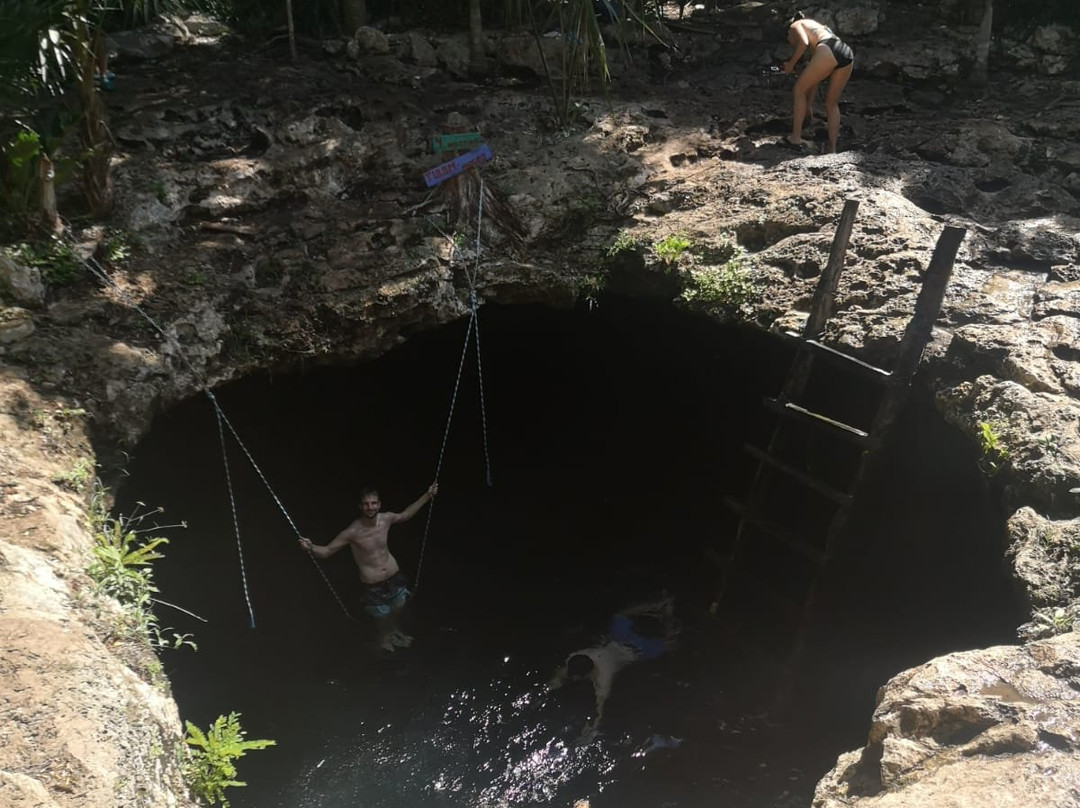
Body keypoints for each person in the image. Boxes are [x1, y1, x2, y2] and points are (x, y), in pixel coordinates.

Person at [300, 483, 437, 652]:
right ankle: (384, 637)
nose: (370, 507)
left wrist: (427, 495)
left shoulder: (386, 519)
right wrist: (311, 547)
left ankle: (393, 632)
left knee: (399, 606)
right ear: (360, 506)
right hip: (373, 585)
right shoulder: (353, 531)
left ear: (379, 504)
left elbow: (406, 515)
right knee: (381, 616)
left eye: (373, 503)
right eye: (366, 504)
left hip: (395, 578)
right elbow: (327, 551)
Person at [548, 594, 679, 740]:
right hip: (619, 638)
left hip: (634, 652)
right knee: (619, 616)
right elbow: (565, 672)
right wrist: (552, 685)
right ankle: (660, 605)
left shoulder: (603, 677)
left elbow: (600, 709)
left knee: (670, 645)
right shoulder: (578, 656)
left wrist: (590, 733)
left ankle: (668, 613)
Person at [781, 12, 854, 154]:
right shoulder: (819, 28)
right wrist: (808, 105)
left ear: (788, 32)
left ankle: (795, 138)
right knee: (831, 103)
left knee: (798, 89)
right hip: (845, 51)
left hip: (828, 48)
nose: (790, 42)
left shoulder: (795, 25)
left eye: (788, 39)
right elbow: (815, 81)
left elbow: (803, 43)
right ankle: (832, 149)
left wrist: (790, 64)